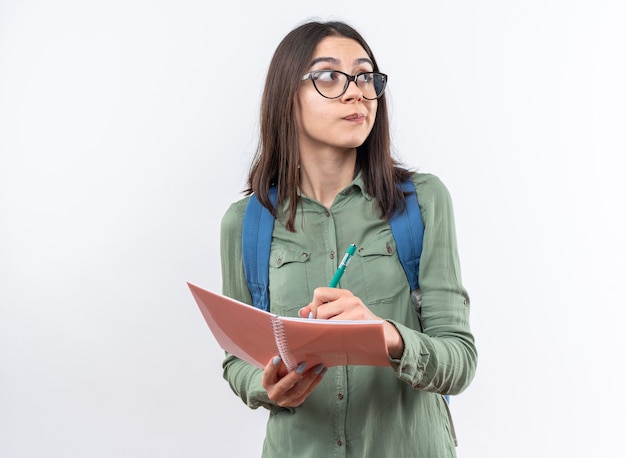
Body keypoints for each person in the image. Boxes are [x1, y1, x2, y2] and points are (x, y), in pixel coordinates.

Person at [219, 19, 477, 457]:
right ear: (287, 97)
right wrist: (267, 387)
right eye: (329, 76)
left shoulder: (423, 202)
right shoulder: (246, 223)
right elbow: (237, 360)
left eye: (365, 76)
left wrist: (385, 335)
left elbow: (459, 360)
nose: (356, 90)